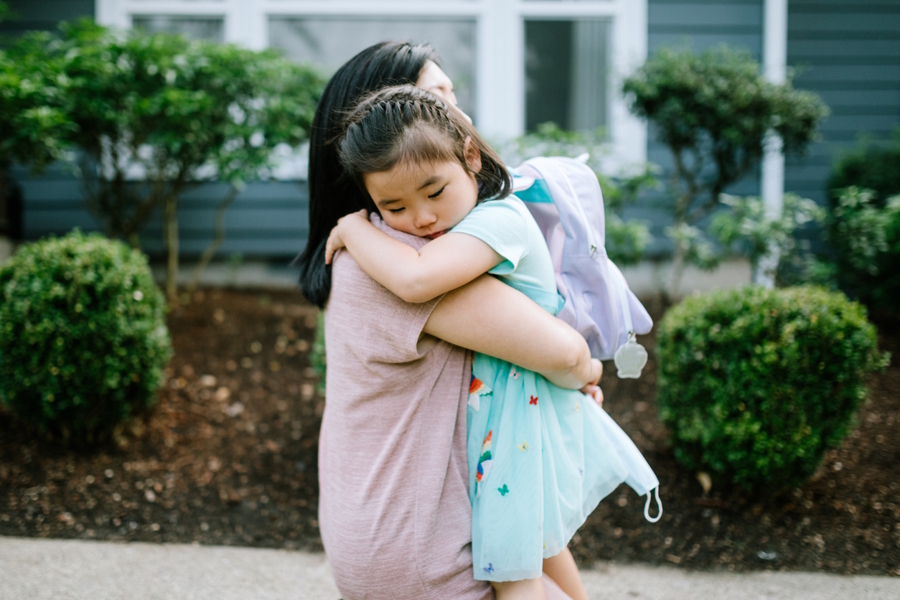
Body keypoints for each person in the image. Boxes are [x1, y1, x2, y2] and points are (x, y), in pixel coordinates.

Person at [298, 42, 595, 599]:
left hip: (387, 530)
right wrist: (587, 374)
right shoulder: (399, 261)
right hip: (420, 550)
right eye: (434, 100)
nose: (465, 119)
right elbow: (567, 354)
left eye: (453, 97)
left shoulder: (391, 243)